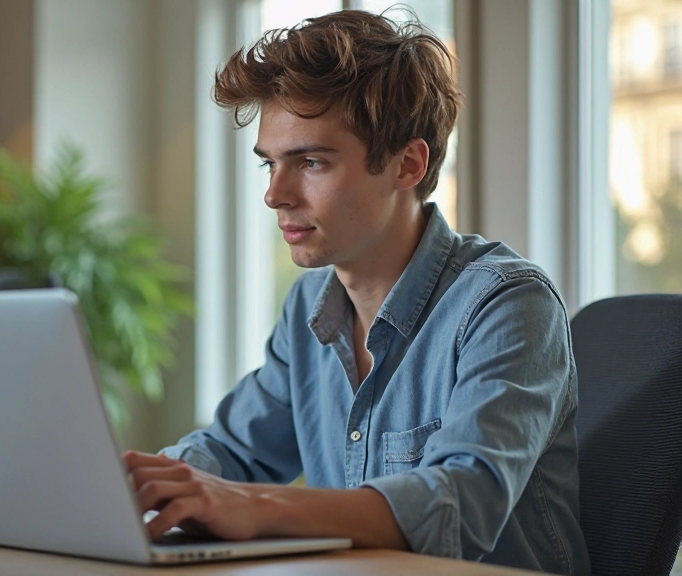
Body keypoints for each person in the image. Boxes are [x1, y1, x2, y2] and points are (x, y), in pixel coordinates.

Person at [121, 9, 589, 575]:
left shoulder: (508, 303)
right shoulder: (308, 306)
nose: (275, 195)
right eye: (269, 165)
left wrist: (255, 507)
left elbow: (460, 504)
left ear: (407, 164)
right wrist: (133, 486)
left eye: (310, 161)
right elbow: (229, 454)